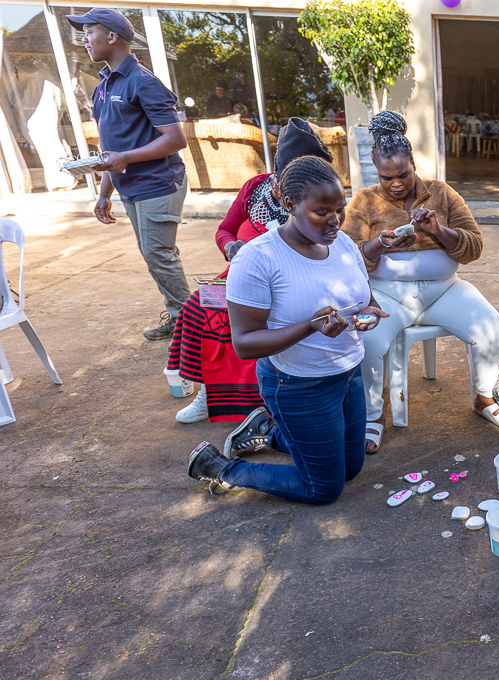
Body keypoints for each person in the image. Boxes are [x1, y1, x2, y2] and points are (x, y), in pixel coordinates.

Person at [186, 155, 386, 504]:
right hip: (297, 383)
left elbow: (365, 297)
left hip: (348, 373)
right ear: (289, 204)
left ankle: (268, 431)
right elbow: (245, 343)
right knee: (324, 488)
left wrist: (368, 313)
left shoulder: (341, 244)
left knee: (350, 469)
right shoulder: (258, 258)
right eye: (321, 212)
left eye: (338, 209)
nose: (334, 221)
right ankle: (219, 467)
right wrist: (310, 327)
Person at [341, 111, 499, 454]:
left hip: (444, 289)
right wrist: (378, 244)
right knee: (368, 340)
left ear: (413, 166)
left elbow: (474, 246)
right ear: (377, 172)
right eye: (386, 177)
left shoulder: (442, 194)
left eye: (403, 174)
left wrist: (440, 231)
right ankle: (373, 416)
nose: (396, 183)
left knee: (489, 324)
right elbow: (344, 258)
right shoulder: (363, 201)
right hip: (387, 295)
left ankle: (483, 397)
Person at [167, 118, 334, 423]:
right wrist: (230, 248)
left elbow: (328, 249)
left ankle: (263, 403)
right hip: (238, 275)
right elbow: (224, 230)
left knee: (248, 319)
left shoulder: (322, 198)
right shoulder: (255, 188)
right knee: (196, 307)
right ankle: (210, 392)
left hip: (290, 281)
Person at [68, 8, 190, 341]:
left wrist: (125, 159)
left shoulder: (144, 82)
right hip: (129, 187)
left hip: (159, 183)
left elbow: (175, 139)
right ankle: (182, 317)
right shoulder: (102, 88)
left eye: (89, 31)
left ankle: (192, 327)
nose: (84, 39)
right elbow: (111, 147)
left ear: (112, 36)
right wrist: (105, 192)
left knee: (159, 255)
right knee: (153, 256)